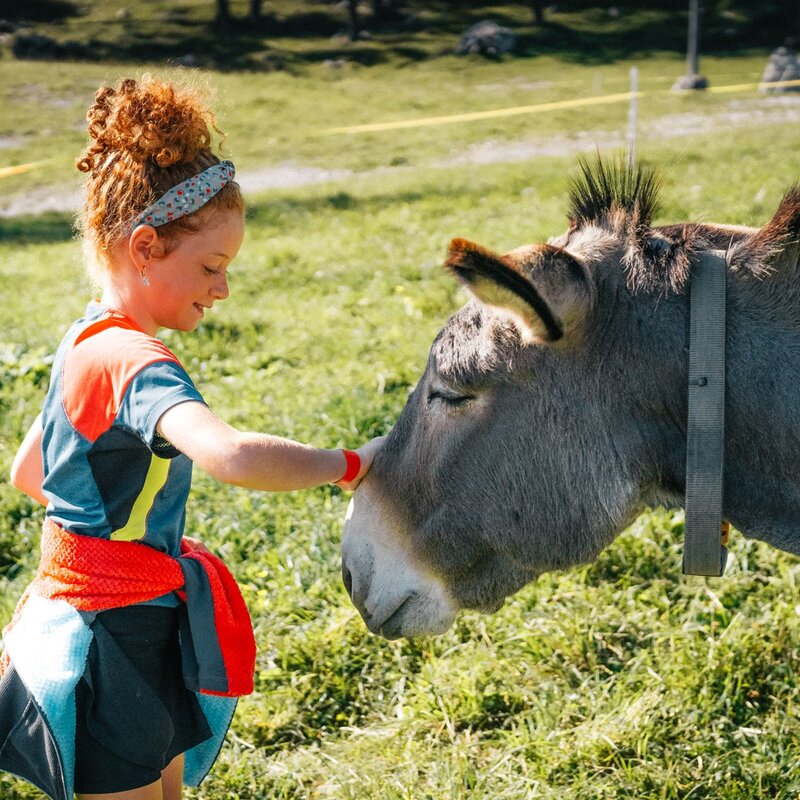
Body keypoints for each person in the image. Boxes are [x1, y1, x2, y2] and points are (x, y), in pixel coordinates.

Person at [0, 75, 383, 800]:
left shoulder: (85, 338)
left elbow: (31, 470)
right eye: (211, 267)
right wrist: (353, 464)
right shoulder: (134, 362)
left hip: (126, 622)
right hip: (115, 645)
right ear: (145, 246)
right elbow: (231, 455)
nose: (222, 289)